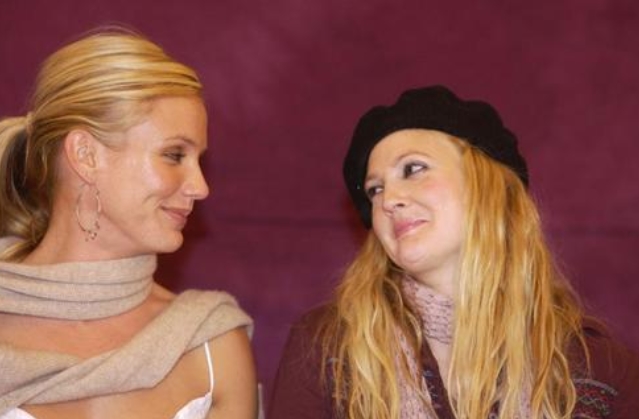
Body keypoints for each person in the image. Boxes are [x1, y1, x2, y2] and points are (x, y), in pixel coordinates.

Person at [268, 85, 639, 418]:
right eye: (375, 190)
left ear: (487, 184)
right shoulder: (327, 347)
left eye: (413, 169)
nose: (388, 200)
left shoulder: (599, 370)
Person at [0, 28, 257, 419]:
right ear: (86, 155)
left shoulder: (211, 342)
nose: (201, 187)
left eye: (198, 160)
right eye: (174, 155)